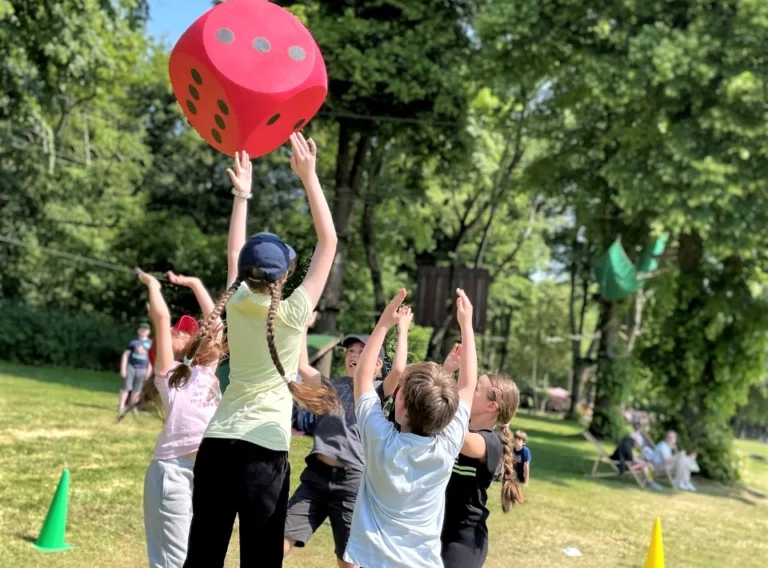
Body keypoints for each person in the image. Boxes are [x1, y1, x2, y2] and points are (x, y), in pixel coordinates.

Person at [176, 137, 341, 568]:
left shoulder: (235, 300)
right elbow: (329, 241)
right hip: (264, 450)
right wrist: (308, 176)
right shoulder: (292, 313)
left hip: (216, 444)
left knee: (203, 555)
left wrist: (242, 194)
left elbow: (234, 251)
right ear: (285, 274)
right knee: (261, 559)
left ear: (246, 274)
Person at [343, 288, 477, 568]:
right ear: (448, 415)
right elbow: (468, 386)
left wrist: (383, 323)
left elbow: (362, 377)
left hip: (368, 561)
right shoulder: (447, 446)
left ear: (399, 404)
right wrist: (467, 325)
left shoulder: (378, 438)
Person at [283, 311, 409, 567]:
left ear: (375, 364)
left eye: (361, 351)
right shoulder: (331, 385)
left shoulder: (375, 391)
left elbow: (398, 369)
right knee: (281, 536)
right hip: (315, 478)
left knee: (349, 560)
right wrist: (304, 326)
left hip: (352, 484)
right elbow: (302, 366)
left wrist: (402, 328)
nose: (353, 355)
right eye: (350, 351)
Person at [135, 268, 222, 568]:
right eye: (178, 330)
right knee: (172, 560)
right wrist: (153, 286)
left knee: (197, 555)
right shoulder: (167, 374)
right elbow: (160, 318)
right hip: (172, 472)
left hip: (208, 474)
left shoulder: (206, 370)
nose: (182, 331)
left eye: (188, 330)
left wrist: (196, 284)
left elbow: (216, 324)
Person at [441, 371, 524, 568]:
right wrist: (446, 371)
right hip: (433, 527)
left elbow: (456, 435)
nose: (467, 391)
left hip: (462, 539)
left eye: (475, 388)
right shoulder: (460, 430)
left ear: (491, 406)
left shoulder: (491, 442)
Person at [118, 321, 153, 419]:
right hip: (131, 367)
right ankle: (121, 406)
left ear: (148, 332)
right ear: (138, 330)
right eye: (141, 329)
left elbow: (151, 359)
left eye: (145, 330)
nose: (143, 331)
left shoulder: (150, 343)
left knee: (137, 389)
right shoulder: (133, 341)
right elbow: (125, 355)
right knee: (126, 387)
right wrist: (123, 368)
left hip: (143, 368)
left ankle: (133, 407)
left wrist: (149, 370)